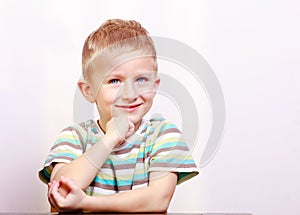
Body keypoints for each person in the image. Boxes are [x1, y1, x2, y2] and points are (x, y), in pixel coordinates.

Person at [39, 19, 199, 213]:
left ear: (154, 86)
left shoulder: (163, 135)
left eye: (141, 79)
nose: (130, 93)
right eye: (115, 80)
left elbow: (157, 200)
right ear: (89, 91)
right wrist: (111, 138)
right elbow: (61, 192)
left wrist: (86, 203)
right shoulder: (75, 137)